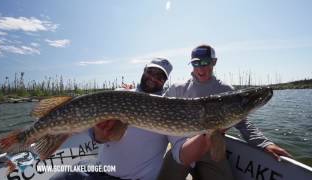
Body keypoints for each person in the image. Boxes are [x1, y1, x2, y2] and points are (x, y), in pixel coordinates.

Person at [51, 58, 212, 180]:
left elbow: (181, 154)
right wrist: (99, 134)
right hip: (98, 171)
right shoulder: (121, 92)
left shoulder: (167, 107)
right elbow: (95, 135)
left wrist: (208, 131)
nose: (153, 78)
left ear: (164, 81)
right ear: (144, 70)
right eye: (151, 72)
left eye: (160, 77)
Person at [157, 44, 292, 180]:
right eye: (196, 63)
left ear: (214, 62)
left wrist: (264, 143)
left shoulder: (226, 89)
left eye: (205, 62)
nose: (200, 68)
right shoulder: (177, 88)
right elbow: (157, 109)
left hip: (212, 149)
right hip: (180, 148)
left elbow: (243, 123)